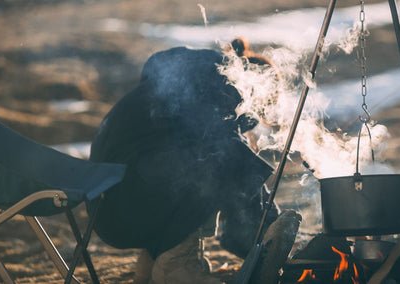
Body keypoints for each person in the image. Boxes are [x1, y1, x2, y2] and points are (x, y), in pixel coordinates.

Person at [88, 39, 279, 260]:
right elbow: (230, 157)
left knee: (209, 155)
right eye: (260, 109)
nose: (253, 119)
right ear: (254, 85)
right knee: (216, 161)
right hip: (125, 207)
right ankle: (176, 265)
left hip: (106, 206)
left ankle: (153, 260)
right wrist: (267, 229)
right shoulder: (214, 83)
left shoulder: (191, 79)